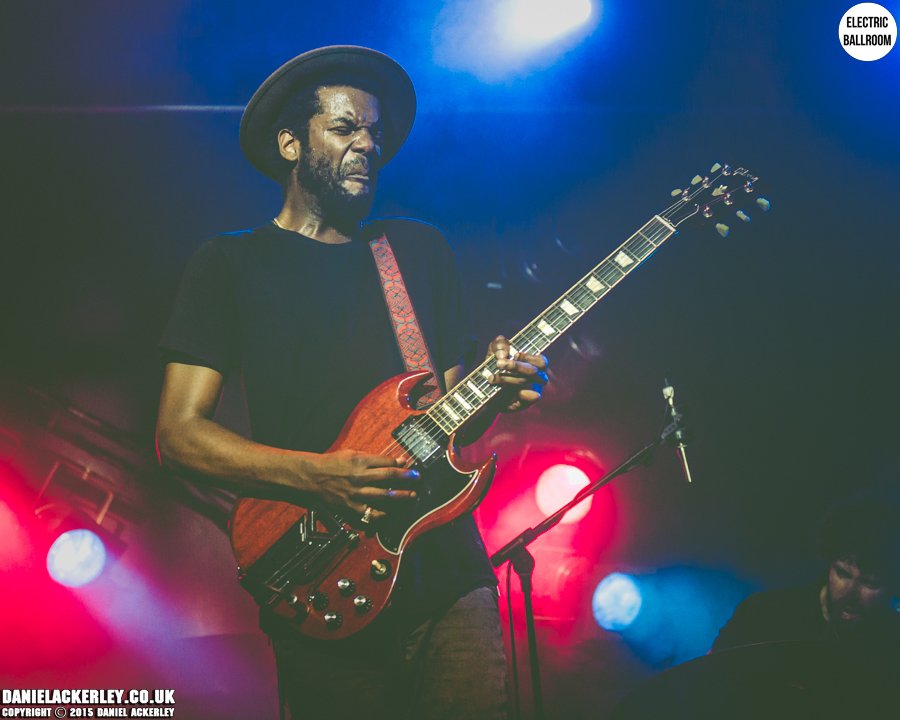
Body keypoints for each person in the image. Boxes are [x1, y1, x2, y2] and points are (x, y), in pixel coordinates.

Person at [155, 46, 549, 720]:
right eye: (344, 129)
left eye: (374, 131)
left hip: (447, 578)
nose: (367, 144)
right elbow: (178, 438)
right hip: (321, 582)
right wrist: (321, 475)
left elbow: (453, 423)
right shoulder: (230, 265)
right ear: (290, 143)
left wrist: (498, 392)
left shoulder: (416, 252)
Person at [712, 493, 899, 651]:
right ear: (829, 564)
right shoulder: (763, 613)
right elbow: (709, 678)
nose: (850, 594)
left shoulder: (892, 642)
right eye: (842, 574)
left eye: (870, 583)